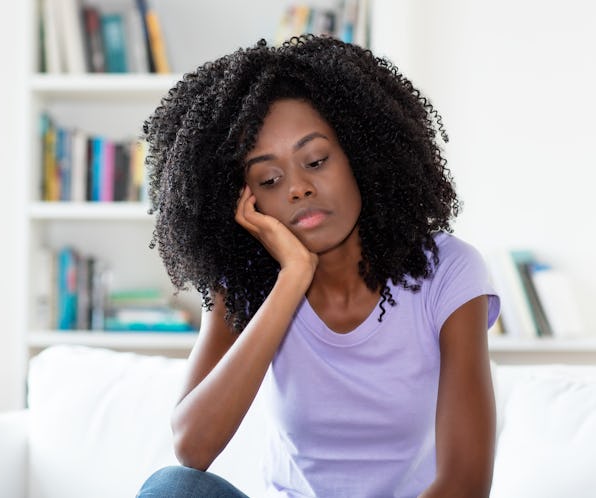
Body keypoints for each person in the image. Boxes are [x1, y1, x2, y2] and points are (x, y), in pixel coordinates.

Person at [136, 35, 500, 498]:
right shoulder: (248, 285)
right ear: (249, 202)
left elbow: (465, 484)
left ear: (361, 157)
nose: (298, 188)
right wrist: (291, 278)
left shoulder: (448, 271)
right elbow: (193, 447)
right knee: (175, 488)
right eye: (270, 179)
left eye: (316, 160)